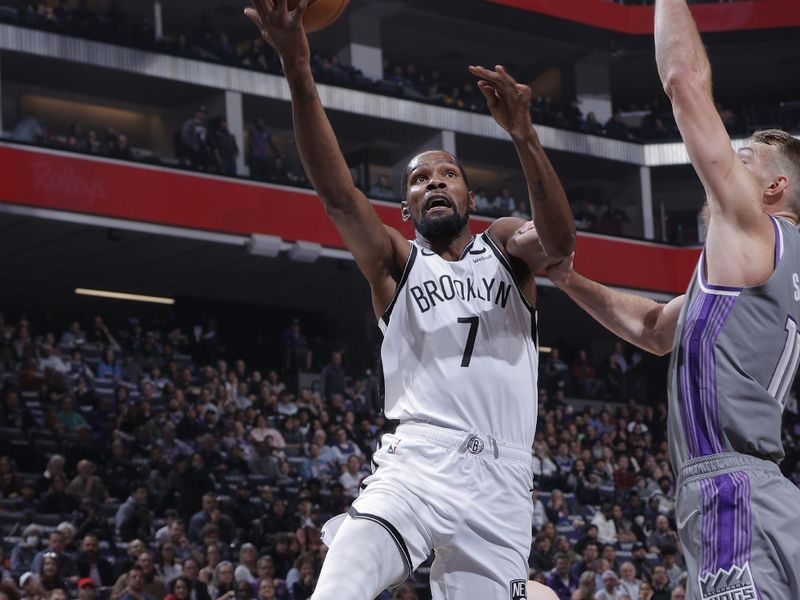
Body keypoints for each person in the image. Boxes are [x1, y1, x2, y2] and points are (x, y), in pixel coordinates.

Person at [244, 2, 575, 598]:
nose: (435, 183)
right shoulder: (397, 262)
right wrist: (298, 67)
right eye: (420, 180)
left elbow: (560, 240)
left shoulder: (504, 247)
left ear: (470, 197)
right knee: (345, 573)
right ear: (406, 209)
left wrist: (524, 135)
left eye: (447, 174)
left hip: (503, 483)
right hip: (419, 462)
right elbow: (340, 198)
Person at [547, 1, 800, 597]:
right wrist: (566, 278)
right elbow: (659, 328)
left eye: (742, 163)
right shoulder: (768, 267)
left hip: (731, 490)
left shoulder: (753, 233)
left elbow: (684, 81)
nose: (725, 171)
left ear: (774, 188)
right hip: (770, 495)